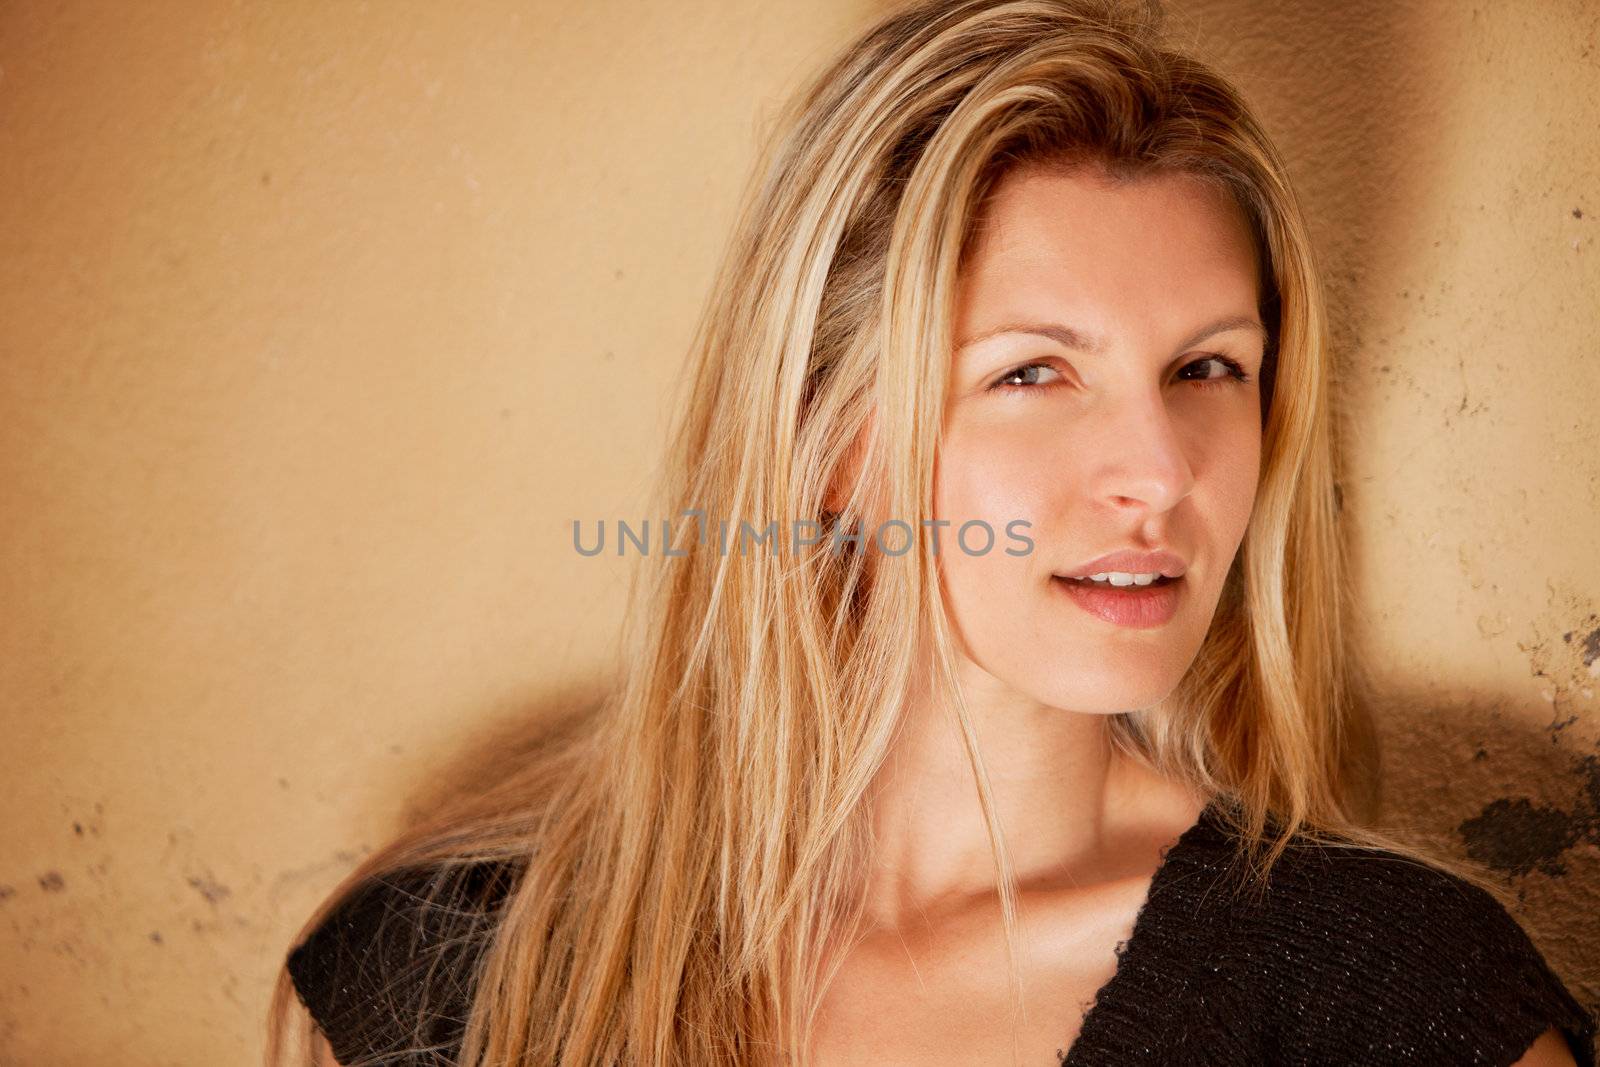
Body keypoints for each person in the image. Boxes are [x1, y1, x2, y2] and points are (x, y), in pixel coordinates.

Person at [264, 0, 1597, 1064]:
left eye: (1208, 370)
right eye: (1032, 373)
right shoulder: (454, 977)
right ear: (831, 443)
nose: (1160, 472)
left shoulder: (1401, 1001)